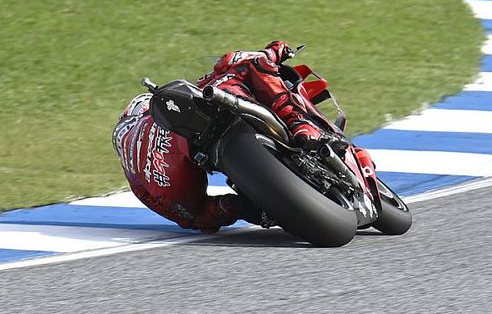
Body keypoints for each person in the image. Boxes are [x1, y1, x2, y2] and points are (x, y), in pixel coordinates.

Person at [111, 40, 335, 233]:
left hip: (175, 179)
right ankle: (299, 124)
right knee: (248, 66)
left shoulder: (135, 176)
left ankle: (258, 210)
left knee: (209, 212)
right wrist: (275, 51)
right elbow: (234, 63)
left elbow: (196, 221)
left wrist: (225, 210)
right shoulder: (151, 114)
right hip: (195, 134)